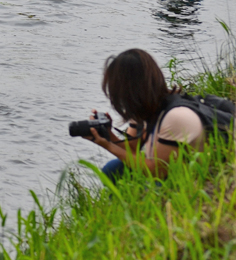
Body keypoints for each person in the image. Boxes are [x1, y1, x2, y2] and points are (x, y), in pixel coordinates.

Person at [80, 49, 207, 180]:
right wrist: (107, 135)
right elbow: (133, 149)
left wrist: (108, 146)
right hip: (170, 171)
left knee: (127, 176)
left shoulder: (175, 117)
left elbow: (156, 171)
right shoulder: (148, 109)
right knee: (112, 169)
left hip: (189, 178)